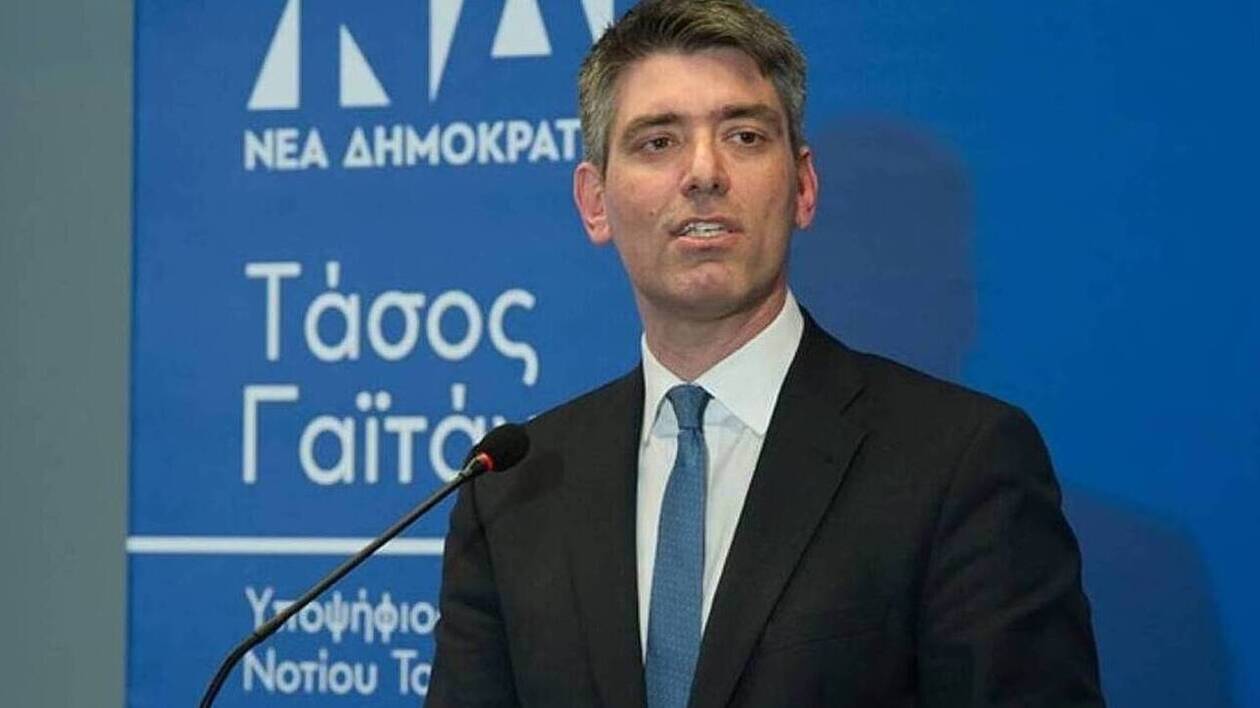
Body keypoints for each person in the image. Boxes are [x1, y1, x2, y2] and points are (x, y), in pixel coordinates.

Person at [428, 1, 1104, 706]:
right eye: (658, 142)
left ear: (803, 188)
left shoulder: (961, 463)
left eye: (744, 136)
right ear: (594, 202)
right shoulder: (514, 487)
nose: (703, 172)